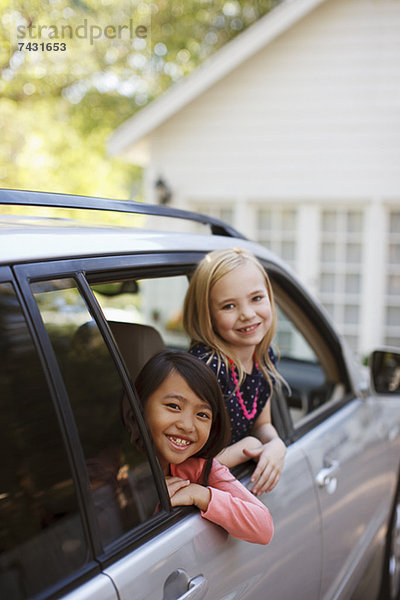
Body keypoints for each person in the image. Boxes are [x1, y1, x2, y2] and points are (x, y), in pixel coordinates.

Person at [132, 350, 274, 545]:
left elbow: (264, 527)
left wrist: (201, 494)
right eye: (174, 406)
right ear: (139, 406)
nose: (187, 426)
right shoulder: (118, 470)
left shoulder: (200, 468)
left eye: (202, 415)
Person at [183, 247, 287, 496]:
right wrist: (248, 447)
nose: (247, 314)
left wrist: (275, 443)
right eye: (229, 306)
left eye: (256, 298)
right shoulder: (204, 370)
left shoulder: (263, 356)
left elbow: (262, 423)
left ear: (269, 298)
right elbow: (185, 468)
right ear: (208, 315)